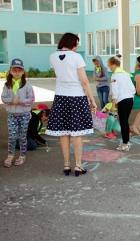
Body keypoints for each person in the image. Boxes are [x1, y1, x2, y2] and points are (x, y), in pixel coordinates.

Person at [46, 33, 97, 177]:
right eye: (77, 44)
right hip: (76, 98)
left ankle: (66, 165)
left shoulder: (53, 56)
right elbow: (85, 81)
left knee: (63, 133)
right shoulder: (76, 57)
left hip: (60, 97)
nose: (77, 47)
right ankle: (78, 166)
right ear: (73, 43)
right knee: (77, 135)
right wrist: (92, 101)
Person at [2, 59, 34, 167]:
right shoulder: (7, 85)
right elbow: (3, 98)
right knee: (12, 136)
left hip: (24, 115)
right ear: (10, 71)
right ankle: (10, 155)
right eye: (14, 70)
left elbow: (31, 99)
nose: (16, 72)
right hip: (12, 115)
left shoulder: (27, 85)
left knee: (22, 136)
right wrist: (11, 101)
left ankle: (22, 155)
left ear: (23, 72)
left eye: (19, 70)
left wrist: (21, 101)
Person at [108, 55, 135, 151]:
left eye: (109, 65)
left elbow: (115, 92)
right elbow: (133, 89)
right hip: (130, 100)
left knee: (123, 122)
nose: (109, 67)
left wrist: (113, 105)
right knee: (125, 122)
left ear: (114, 64)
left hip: (122, 101)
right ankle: (126, 141)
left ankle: (125, 143)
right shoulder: (126, 74)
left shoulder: (115, 76)